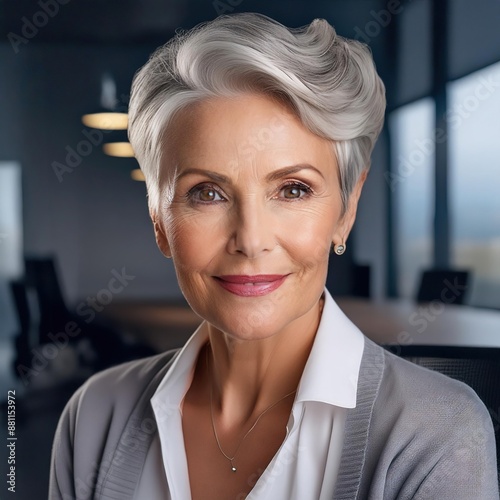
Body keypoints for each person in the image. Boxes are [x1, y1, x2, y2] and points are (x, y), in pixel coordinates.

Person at [49, 12, 499, 500]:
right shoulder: (93, 418)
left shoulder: (438, 437)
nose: (251, 239)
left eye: (292, 189)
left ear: (347, 209)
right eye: (207, 193)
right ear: (160, 220)